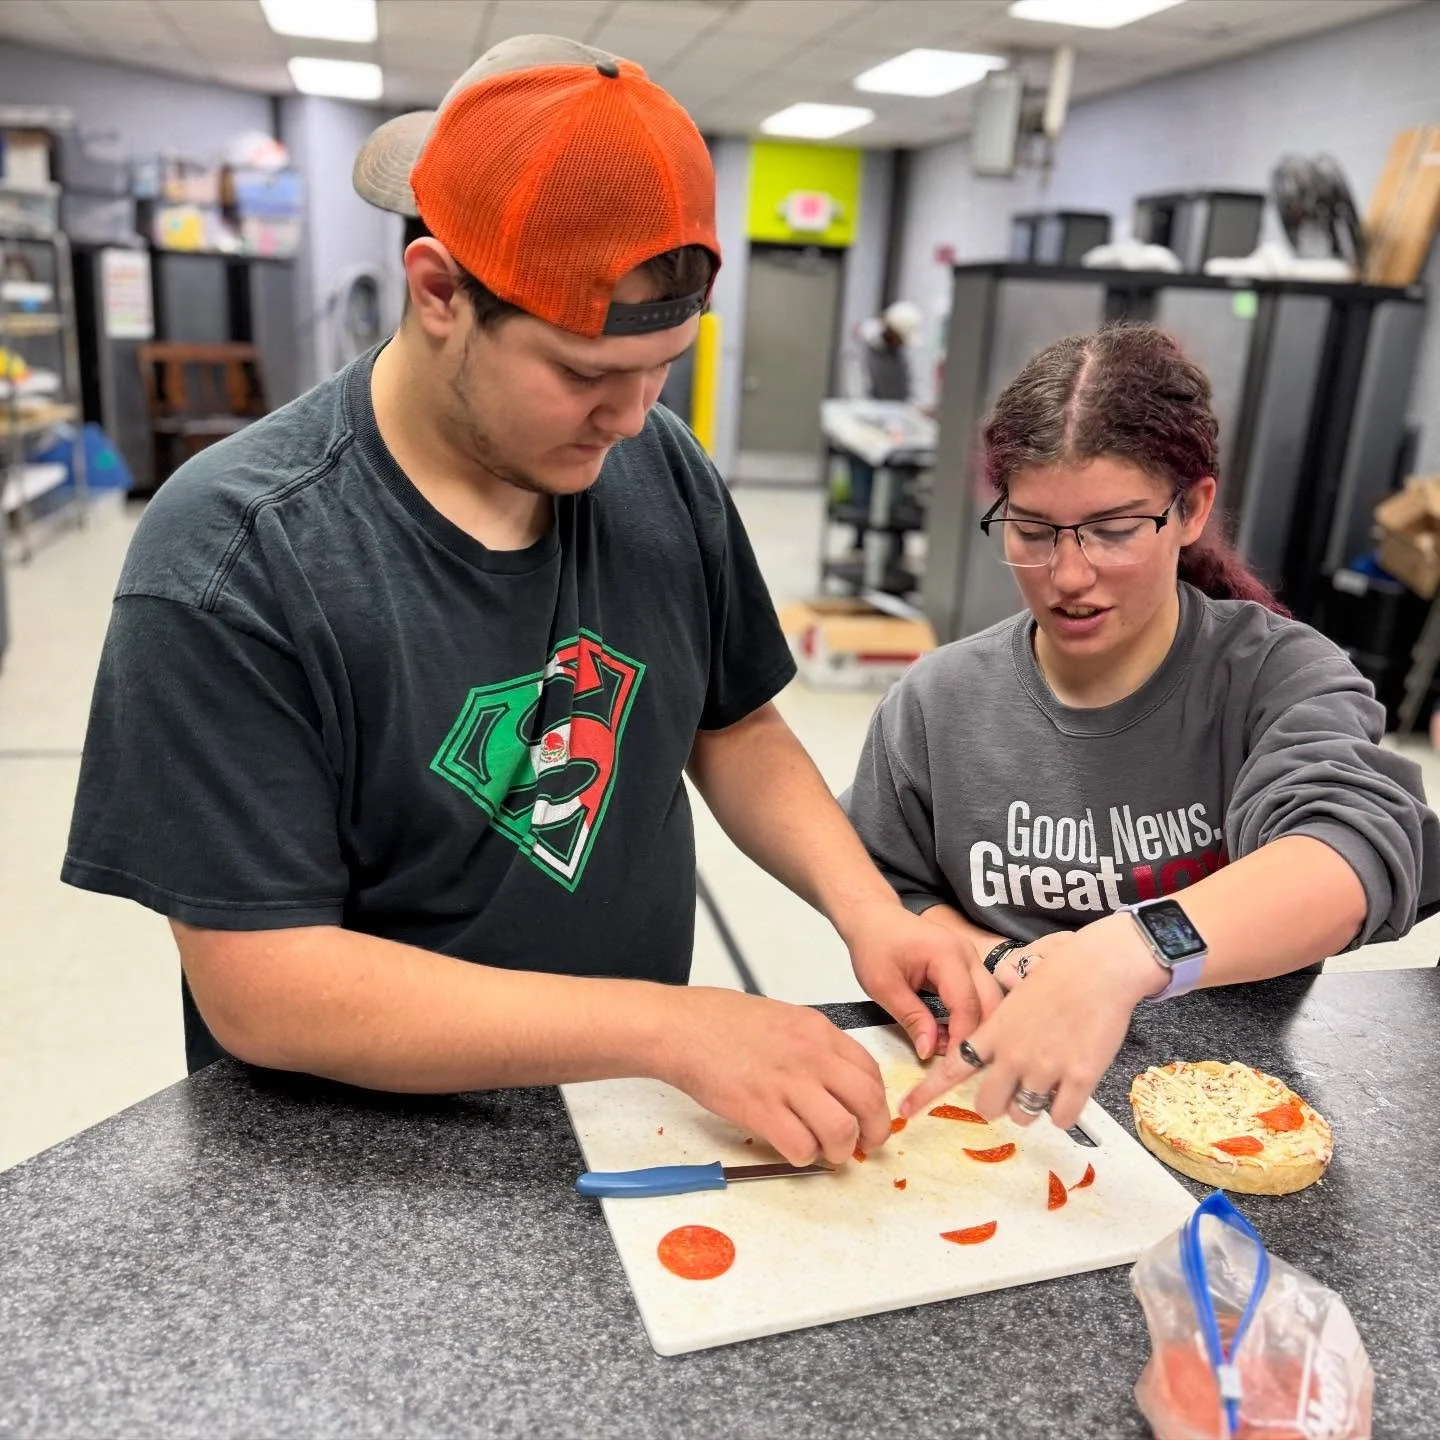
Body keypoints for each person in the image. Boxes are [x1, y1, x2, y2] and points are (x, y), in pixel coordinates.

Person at [62, 35, 993, 1169]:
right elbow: (267, 984)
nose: (631, 418)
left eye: (663, 372)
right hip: (357, 1160)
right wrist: (670, 1026)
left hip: (631, 1106)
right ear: (441, 290)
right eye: (585, 374)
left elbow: (733, 724)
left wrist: (871, 913)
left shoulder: (661, 471)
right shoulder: (237, 557)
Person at [845, 322, 1440, 1131]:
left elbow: (1349, 853)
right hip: (992, 1112)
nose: (1070, 575)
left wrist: (1128, 949)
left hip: (1226, 1113)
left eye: (1114, 530)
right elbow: (887, 889)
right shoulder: (937, 701)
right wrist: (1005, 959)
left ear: (1191, 508)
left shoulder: (1273, 676)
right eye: (1032, 530)